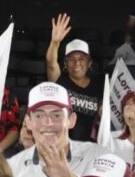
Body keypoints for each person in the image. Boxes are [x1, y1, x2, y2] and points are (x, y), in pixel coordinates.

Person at [45, 14, 105, 142]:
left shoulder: (100, 86)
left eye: (82, 59)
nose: (77, 63)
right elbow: (51, 64)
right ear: (65, 64)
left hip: (90, 147)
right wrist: (55, 42)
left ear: (89, 63)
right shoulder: (60, 81)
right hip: (63, 144)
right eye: (72, 59)